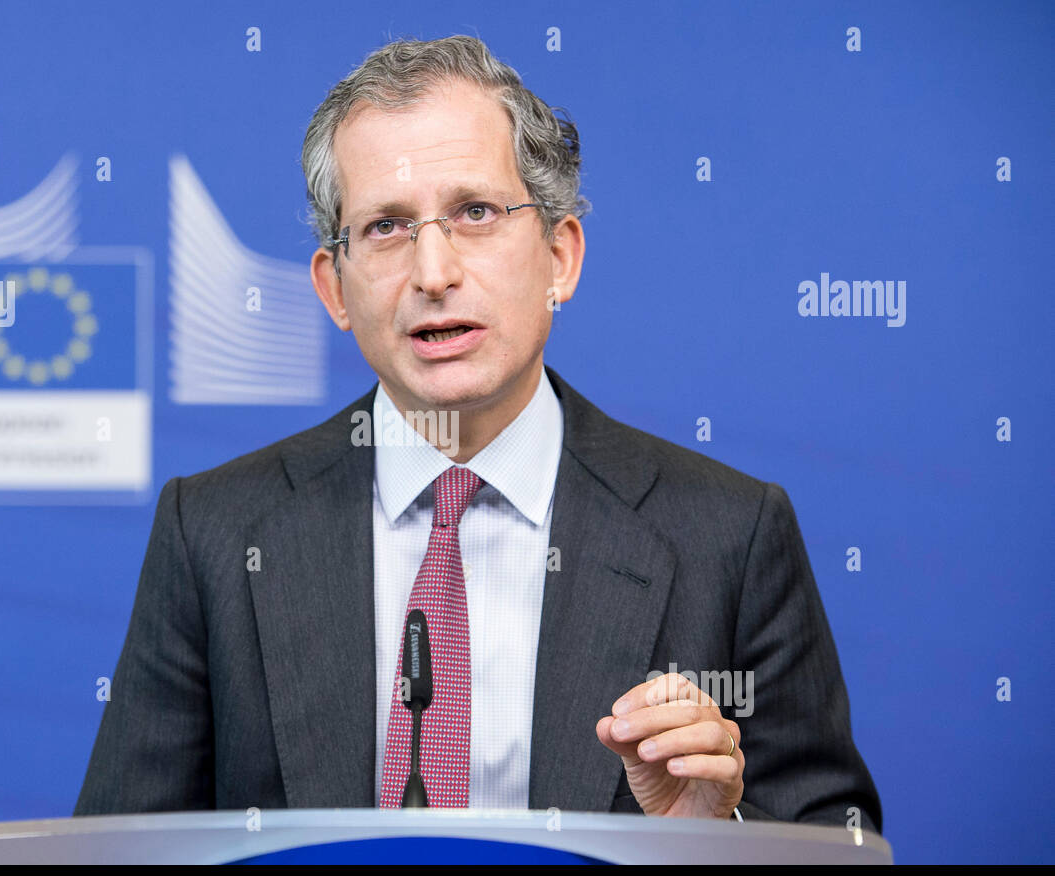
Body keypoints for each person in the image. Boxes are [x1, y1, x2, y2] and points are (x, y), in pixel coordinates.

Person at [75, 35, 881, 831]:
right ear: (335, 289)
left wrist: (717, 834)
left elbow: (836, 851)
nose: (433, 272)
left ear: (560, 257)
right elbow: (117, 857)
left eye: (475, 212)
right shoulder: (213, 531)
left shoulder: (729, 536)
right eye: (387, 227)